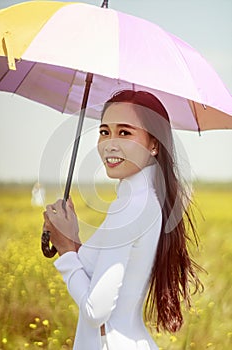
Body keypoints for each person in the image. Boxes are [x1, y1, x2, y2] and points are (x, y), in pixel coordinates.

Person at [43, 90, 203, 350]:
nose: (110, 144)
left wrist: (67, 252)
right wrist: (71, 239)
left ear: (154, 144)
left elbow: (97, 311)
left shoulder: (132, 206)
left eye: (125, 133)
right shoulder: (145, 199)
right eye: (104, 131)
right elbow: (107, 277)